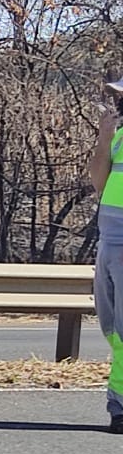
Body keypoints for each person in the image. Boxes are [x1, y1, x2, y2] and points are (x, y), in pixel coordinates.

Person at [87, 76, 123, 435]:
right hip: (110, 239)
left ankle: (120, 406)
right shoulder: (118, 137)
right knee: (110, 323)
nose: (117, 104)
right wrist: (104, 138)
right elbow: (100, 182)